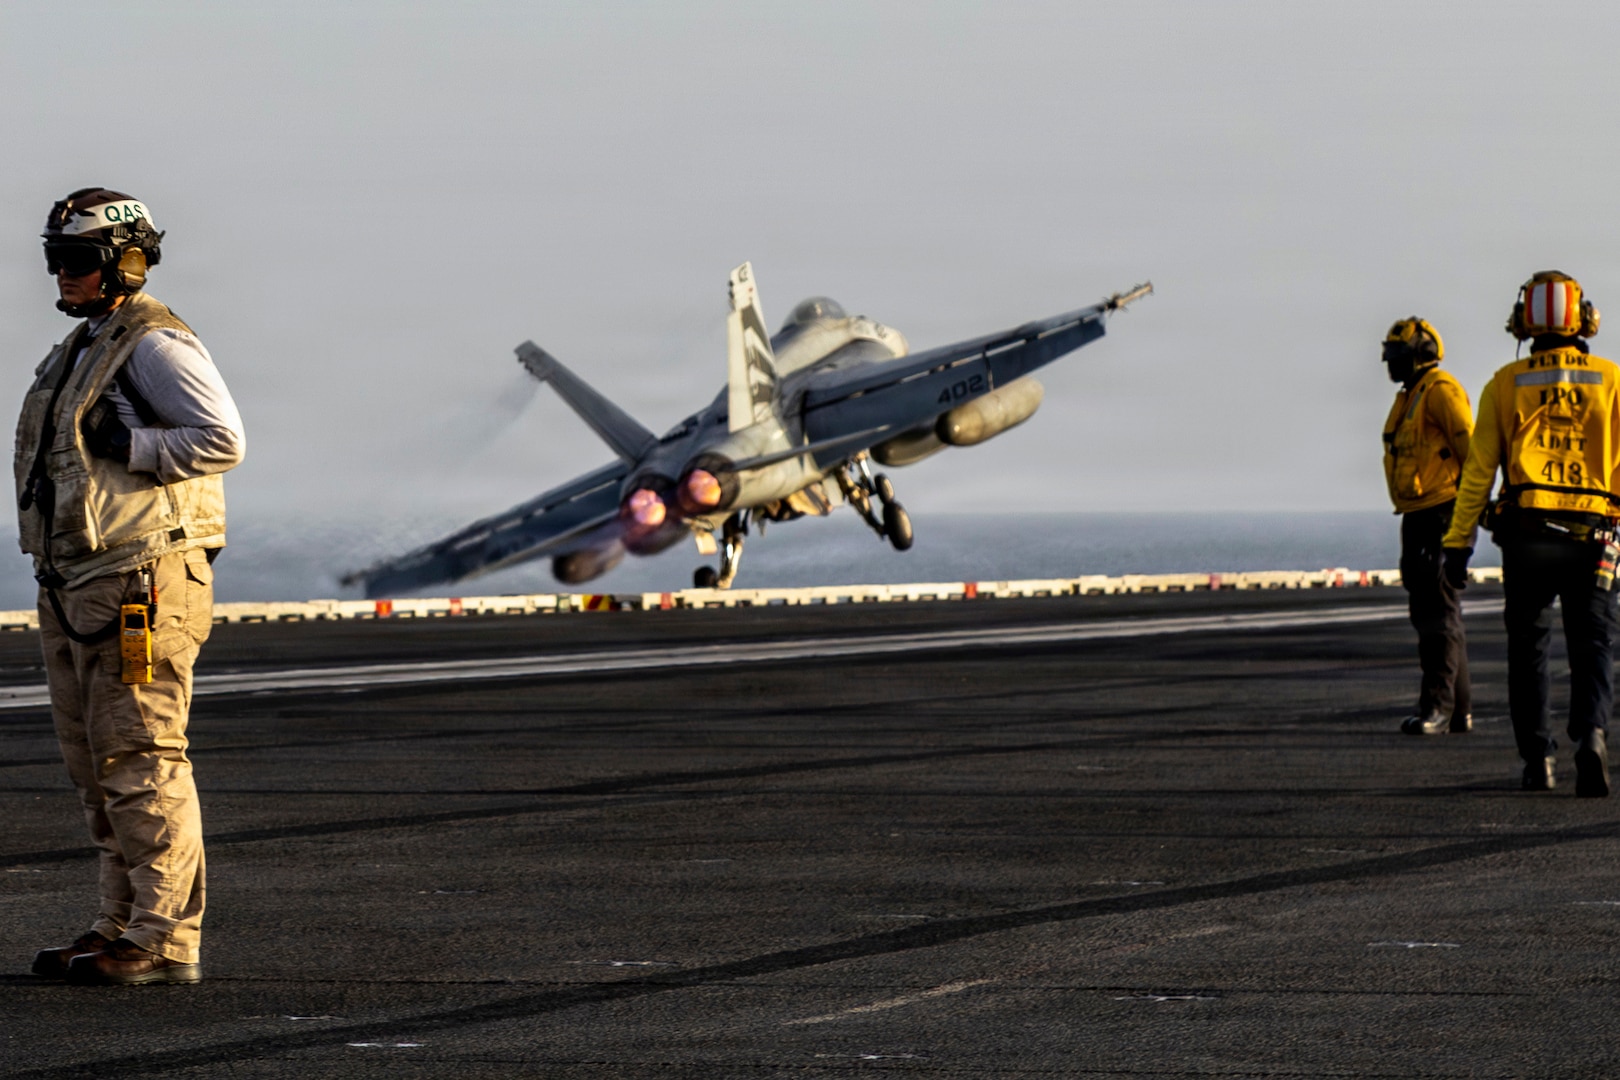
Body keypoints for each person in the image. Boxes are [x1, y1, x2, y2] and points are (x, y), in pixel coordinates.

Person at [19, 189, 245, 983]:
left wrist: (136, 442)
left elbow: (221, 439)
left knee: (143, 759)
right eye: (55, 258)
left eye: (77, 259)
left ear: (127, 261)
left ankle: (163, 938)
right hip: (79, 581)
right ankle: (117, 924)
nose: (62, 272)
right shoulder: (86, 344)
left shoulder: (154, 343)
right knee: (96, 767)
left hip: (139, 582)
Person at [1443, 271, 1618, 796]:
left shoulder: (1505, 381)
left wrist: (1458, 545)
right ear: (1583, 319)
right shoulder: (1611, 380)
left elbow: (1479, 472)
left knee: (1529, 650)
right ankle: (1591, 735)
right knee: (1593, 646)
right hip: (1593, 540)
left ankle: (1538, 760)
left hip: (1526, 539)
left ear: (1524, 322)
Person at [1381, 317, 1474, 736]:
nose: (1390, 364)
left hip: (1441, 512)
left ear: (1421, 355)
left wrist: (1470, 514)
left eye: (1397, 356)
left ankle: (1437, 707)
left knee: (1437, 613)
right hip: (1417, 513)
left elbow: (1470, 449)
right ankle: (1459, 711)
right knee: (1435, 610)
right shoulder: (1410, 396)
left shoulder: (1440, 392)